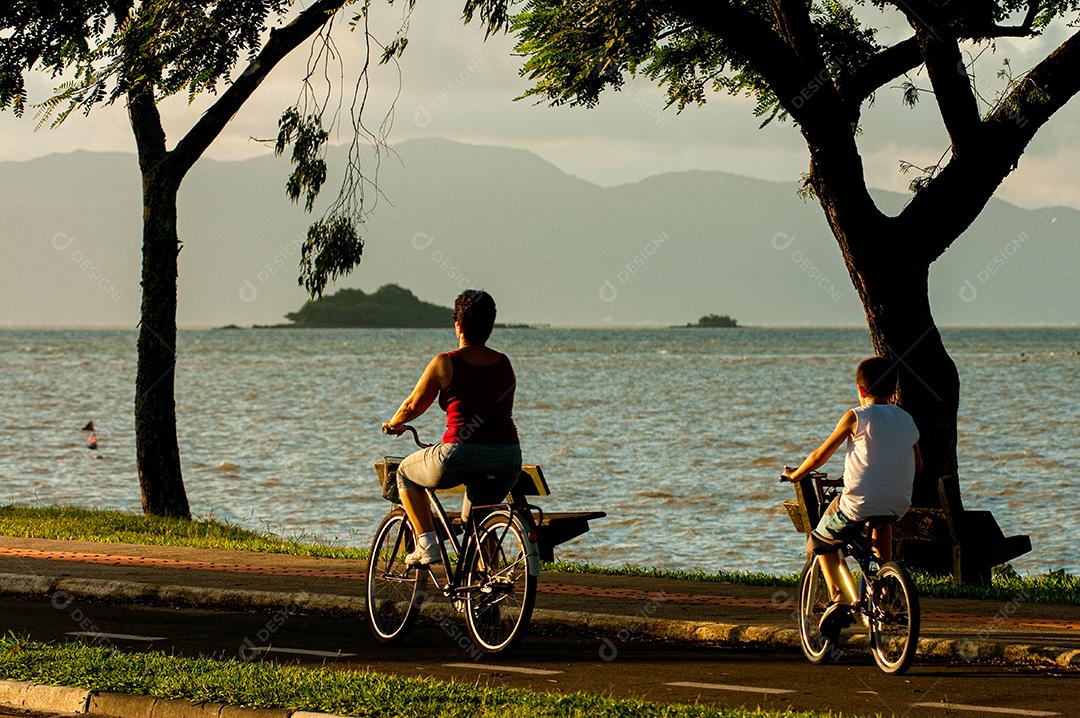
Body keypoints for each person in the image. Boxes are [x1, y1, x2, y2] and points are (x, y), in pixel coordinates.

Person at [781, 356, 922, 637]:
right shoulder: (906, 419)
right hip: (898, 503)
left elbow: (820, 456)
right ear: (894, 391)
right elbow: (919, 465)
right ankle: (884, 580)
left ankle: (838, 600)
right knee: (881, 524)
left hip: (858, 503)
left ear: (860, 390)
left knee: (818, 543)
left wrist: (796, 474)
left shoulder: (855, 416)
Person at [382, 289, 522, 566]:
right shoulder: (504, 363)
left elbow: (412, 406)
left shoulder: (445, 362)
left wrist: (394, 423)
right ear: (490, 327)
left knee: (405, 475)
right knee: (479, 522)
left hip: (460, 453)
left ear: (458, 325)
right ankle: (484, 588)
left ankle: (427, 545)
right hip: (508, 458)